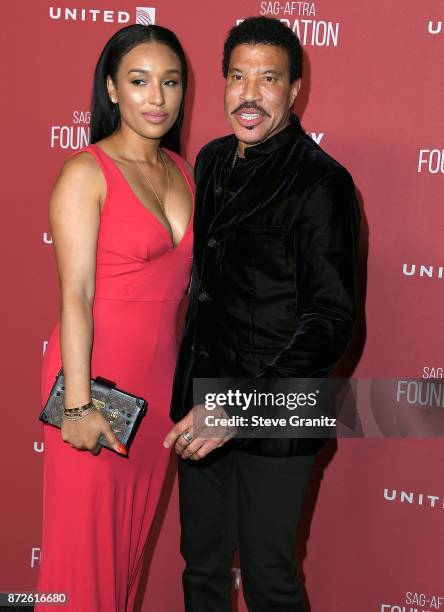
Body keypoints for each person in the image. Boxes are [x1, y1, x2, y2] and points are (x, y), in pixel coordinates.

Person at [164, 16, 360, 612]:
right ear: (222, 83)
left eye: (268, 78)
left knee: (270, 582)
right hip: (201, 406)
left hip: (274, 419)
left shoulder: (322, 183)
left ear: (295, 88)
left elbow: (329, 321)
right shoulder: (213, 161)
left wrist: (236, 407)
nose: (249, 94)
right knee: (201, 571)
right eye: (237, 76)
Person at [35, 24, 193, 612]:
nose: (157, 98)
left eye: (170, 82)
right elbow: (74, 294)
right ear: (111, 89)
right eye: (139, 81)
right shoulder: (85, 173)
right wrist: (77, 405)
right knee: (84, 560)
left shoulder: (184, 169)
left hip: (156, 394)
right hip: (95, 384)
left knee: (126, 558)